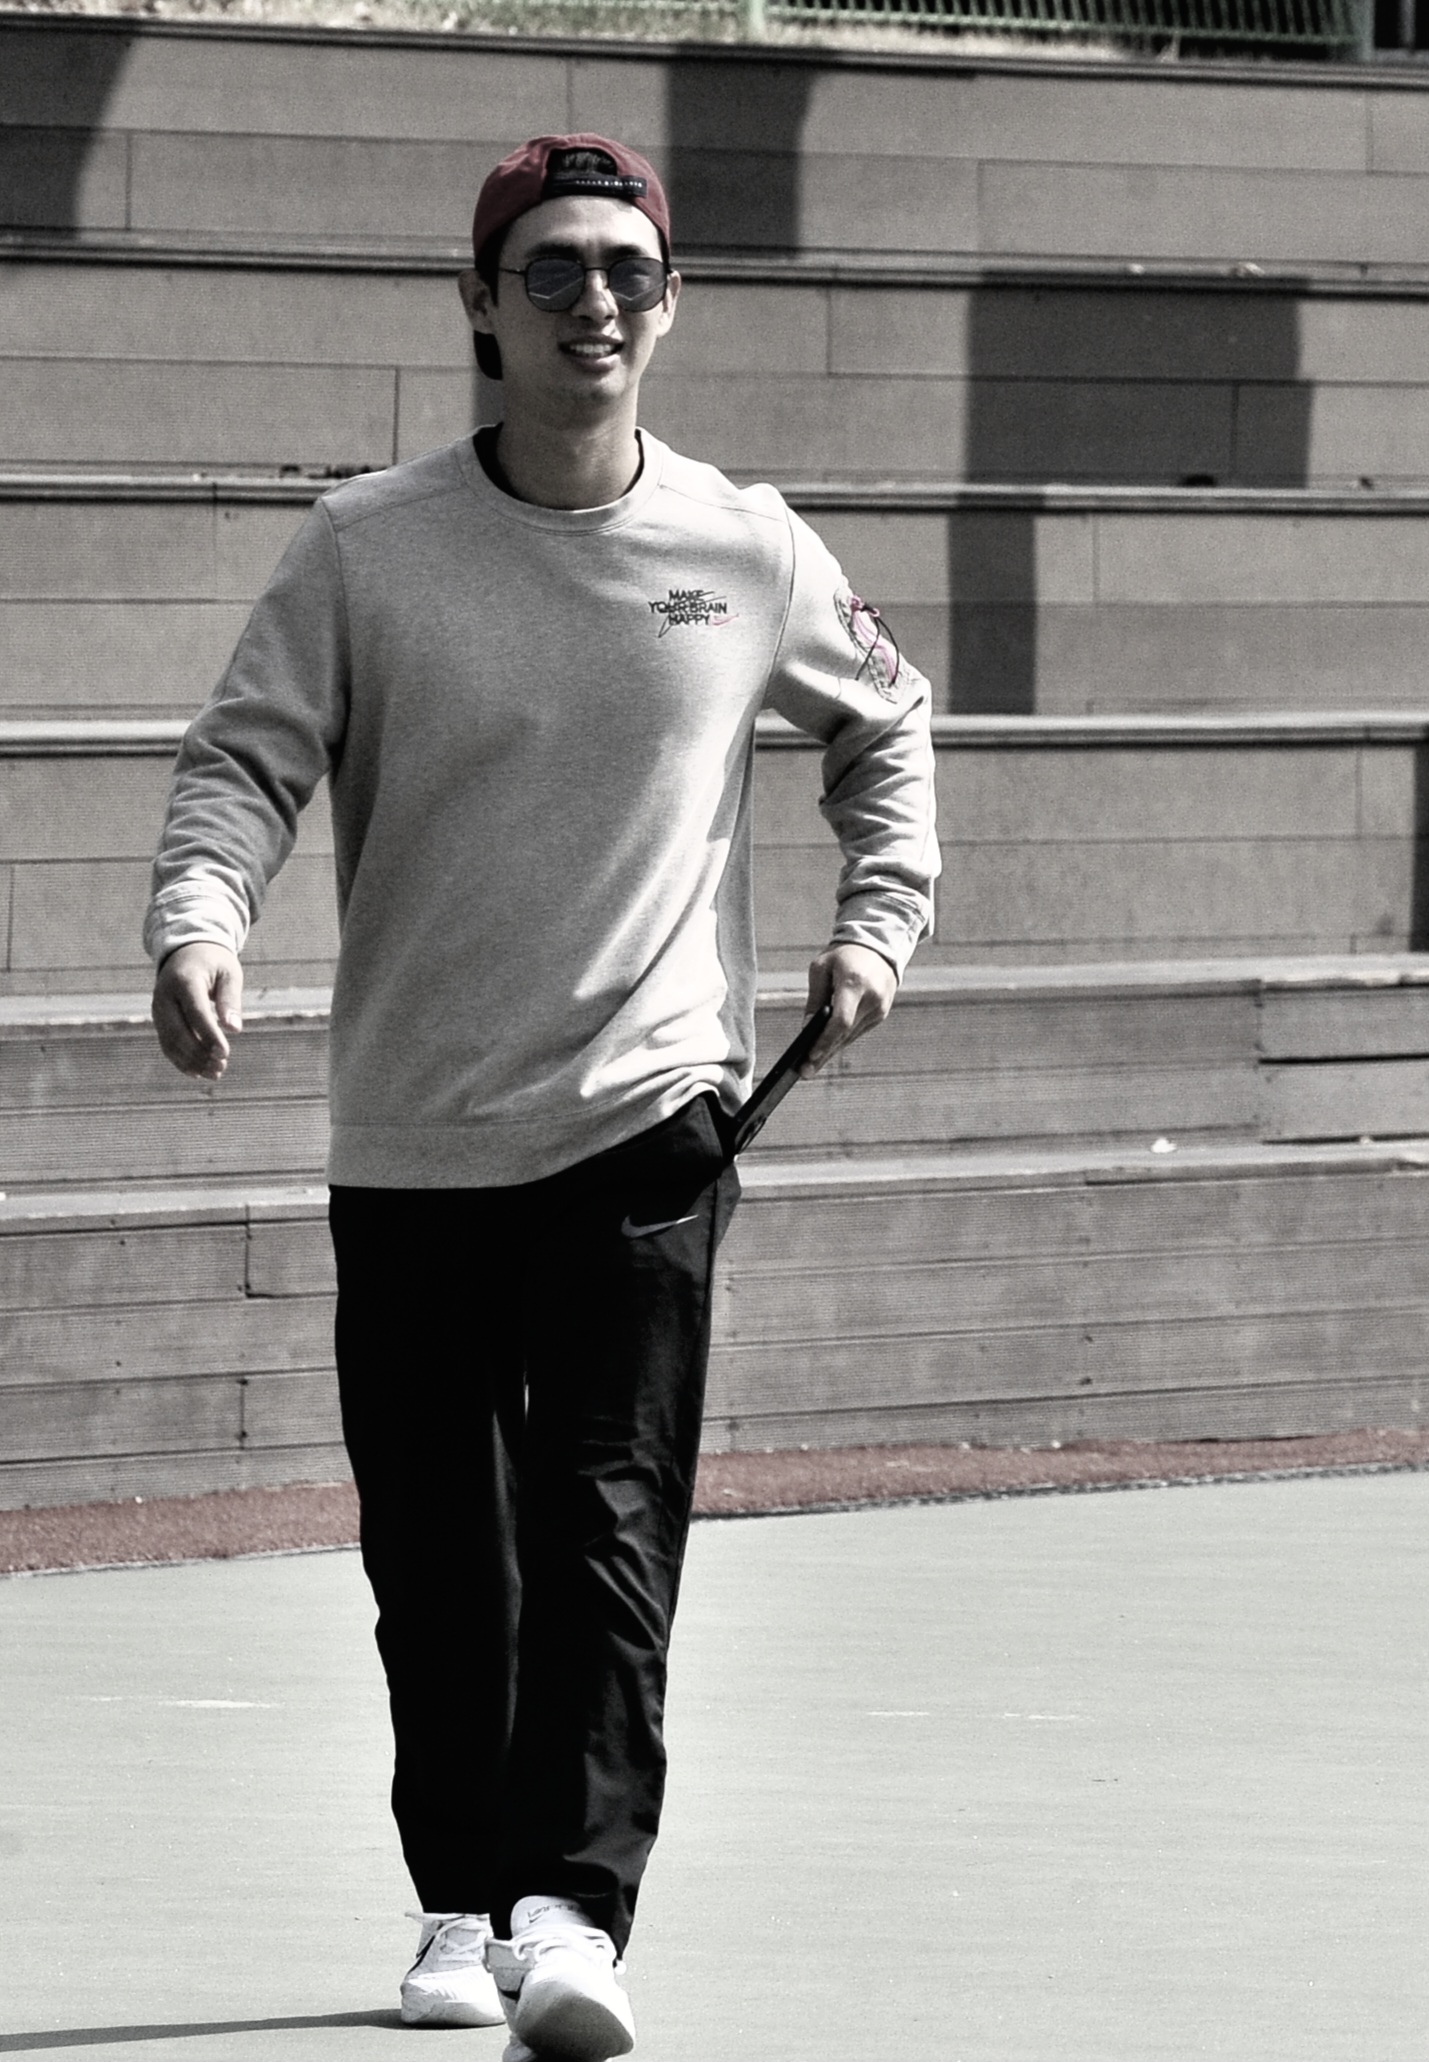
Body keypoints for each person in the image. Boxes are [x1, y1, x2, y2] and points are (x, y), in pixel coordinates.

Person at [146, 134, 938, 2062]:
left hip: (649, 1117)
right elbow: (245, 759)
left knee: (607, 1531)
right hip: (415, 1131)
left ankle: (573, 1914)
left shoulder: (745, 546)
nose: (595, 299)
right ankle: (458, 1899)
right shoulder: (366, 546)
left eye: (627, 270)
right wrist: (199, 919)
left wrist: (876, 925)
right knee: (440, 1558)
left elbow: (887, 726)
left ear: (668, 304)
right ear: (480, 306)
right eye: (553, 268)